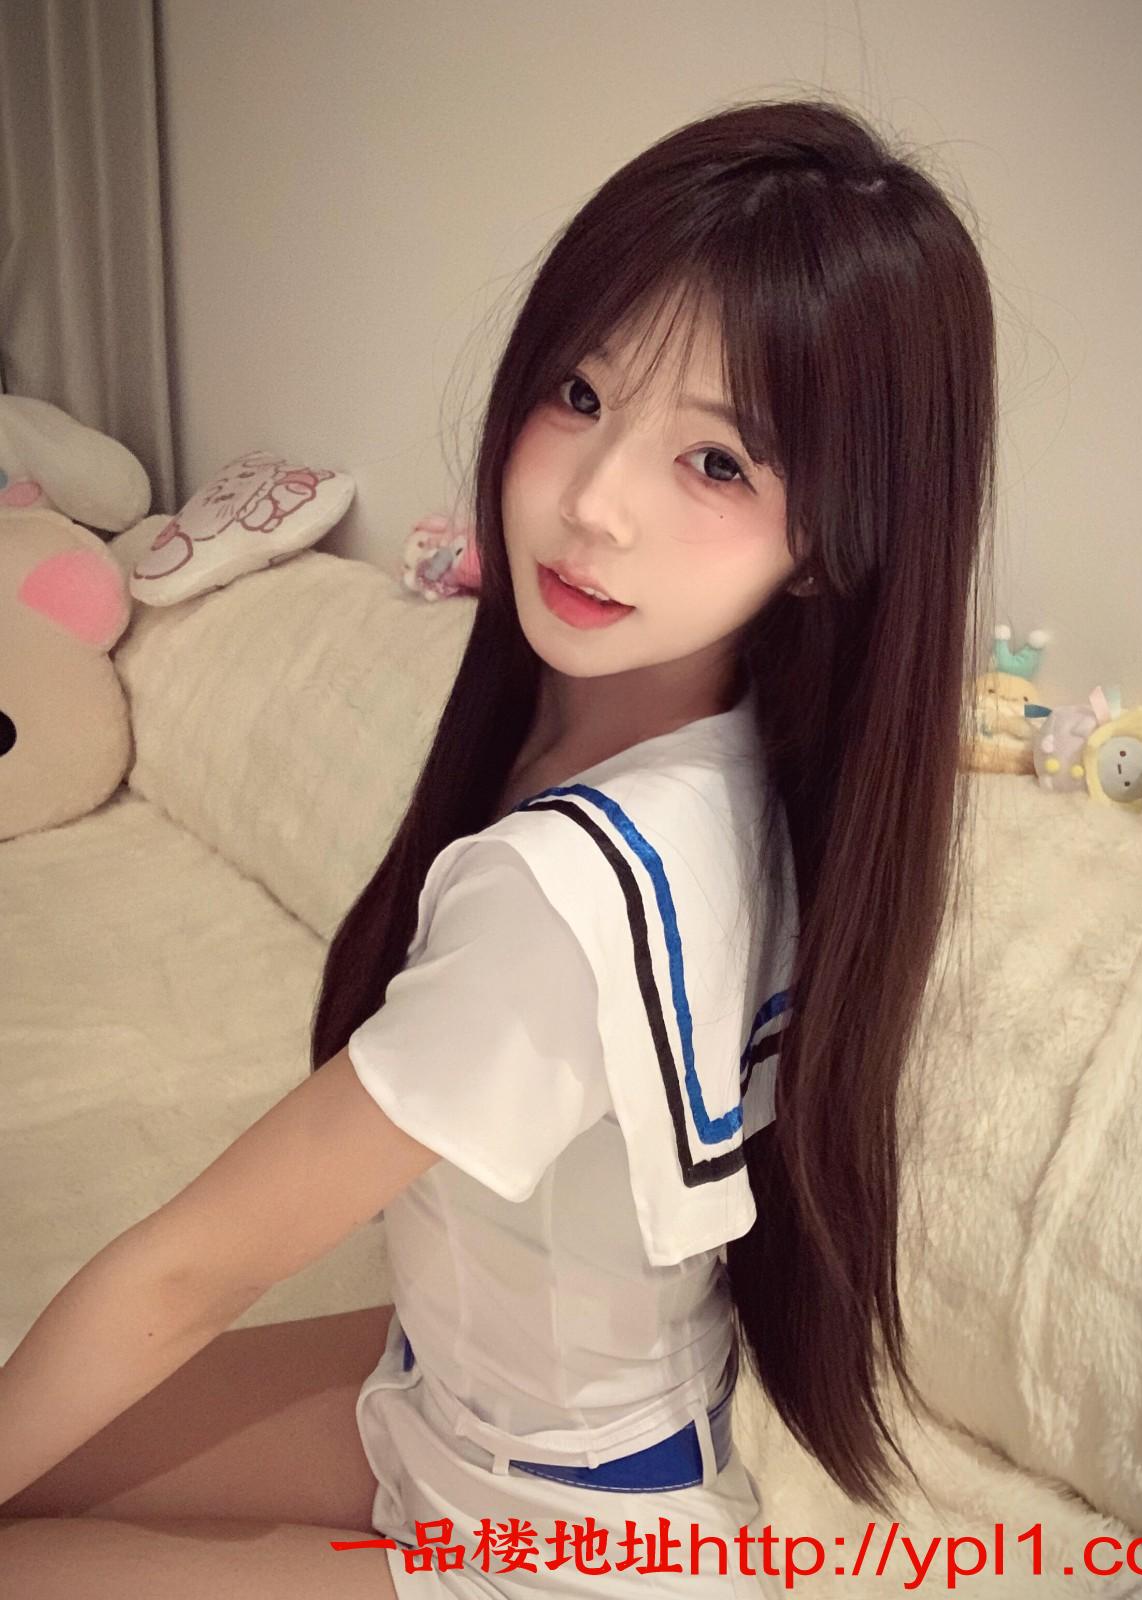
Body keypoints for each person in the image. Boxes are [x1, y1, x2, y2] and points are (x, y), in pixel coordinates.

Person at [0, 94, 996, 1597]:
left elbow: (192, 1270)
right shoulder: (722, 752)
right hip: (464, 1401)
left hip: (556, 1539)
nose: (592, 505)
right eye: (582, 394)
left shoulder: (569, 891)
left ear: (836, 540)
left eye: (719, 463)